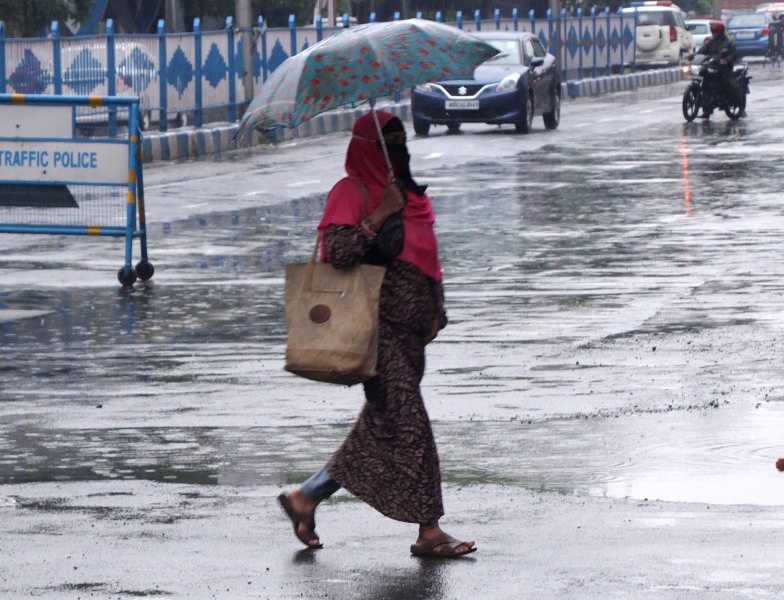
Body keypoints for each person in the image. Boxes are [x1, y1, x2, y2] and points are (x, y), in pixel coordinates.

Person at [276, 110, 477, 559]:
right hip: (375, 335)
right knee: (412, 428)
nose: (399, 151)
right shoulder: (352, 192)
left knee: (381, 428)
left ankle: (305, 497)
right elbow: (339, 253)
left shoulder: (409, 194)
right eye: (388, 143)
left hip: (411, 337)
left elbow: (427, 254)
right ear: (367, 148)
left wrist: (436, 309)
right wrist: (380, 213)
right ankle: (429, 531)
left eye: (402, 141)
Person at [698, 21, 746, 118]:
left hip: (725, 69)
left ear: (720, 31)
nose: (713, 33)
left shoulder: (728, 42)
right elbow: (702, 50)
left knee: (731, 85)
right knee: (705, 84)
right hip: (712, 67)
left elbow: (734, 54)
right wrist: (692, 56)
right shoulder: (710, 41)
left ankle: (741, 109)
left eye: (715, 31)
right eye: (712, 31)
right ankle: (706, 111)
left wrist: (726, 60)